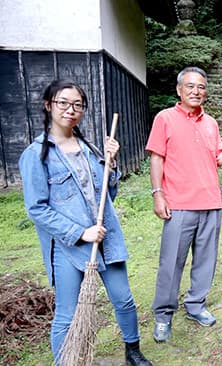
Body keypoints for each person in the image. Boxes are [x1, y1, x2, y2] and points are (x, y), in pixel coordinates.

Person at [19, 79, 152, 365]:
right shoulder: (35, 155)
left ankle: (132, 351)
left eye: (78, 105)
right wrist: (81, 232)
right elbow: (37, 209)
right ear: (48, 106)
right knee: (67, 315)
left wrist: (111, 163)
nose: (71, 109)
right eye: (63, 103)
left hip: (106, 236)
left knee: (124, 300)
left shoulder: (89, 147)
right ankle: (65, 361)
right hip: (68, 247)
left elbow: (108, 194)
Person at [146, 66, 222, 342]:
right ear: (179, 90)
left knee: (206, 260)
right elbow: (156, 157)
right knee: (171, 263)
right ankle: (163, 315)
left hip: (211, 202)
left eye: (201, 87)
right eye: (191, 86)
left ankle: (196, 305)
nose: (196, 91)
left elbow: (218, 157)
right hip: (179, 204)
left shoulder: (211, 123)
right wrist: (158, 193)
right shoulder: (165, 118)